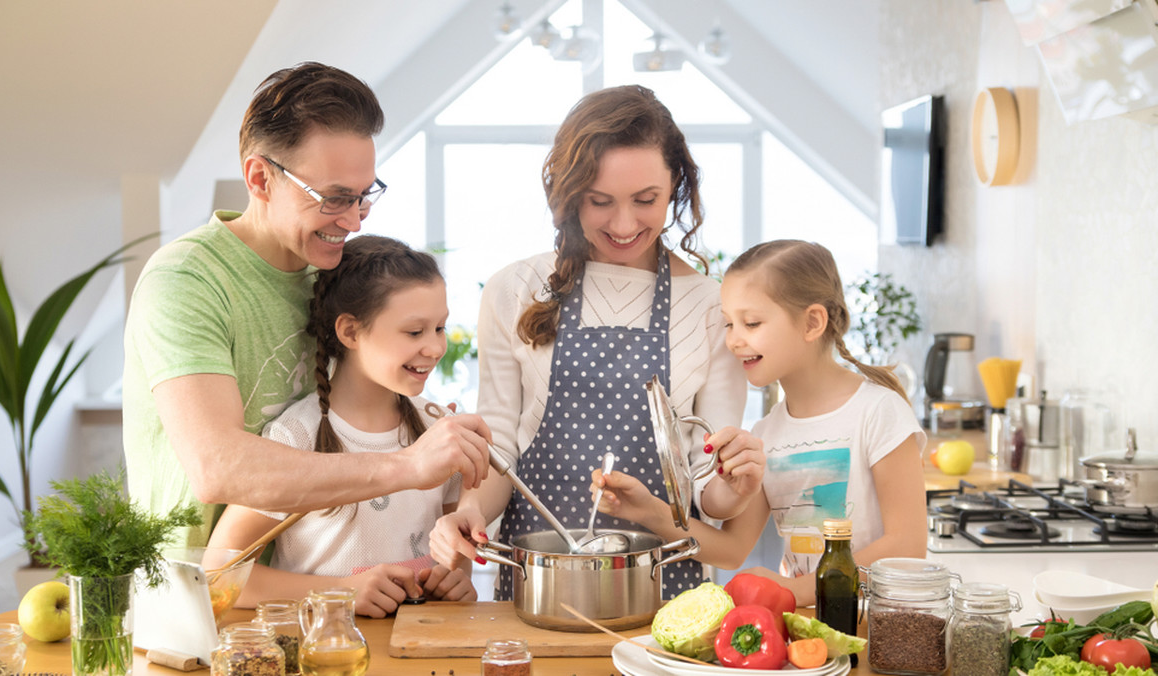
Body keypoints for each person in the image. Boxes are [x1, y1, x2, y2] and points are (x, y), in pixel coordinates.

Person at [123, 62, 491, 553]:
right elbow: (217, 468)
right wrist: (407, 467)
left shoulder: (335, 273)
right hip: (193, 600)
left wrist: (460, 499)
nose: (354, 221)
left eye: (364, 197)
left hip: (304, 596)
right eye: (335, 198)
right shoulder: (187, 279)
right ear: (259, 178)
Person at [428, 84, 755, 600]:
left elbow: (706, 490)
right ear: (567, 192)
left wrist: (734, 489)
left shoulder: (711, 307)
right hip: (539, 587)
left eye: (646, 201)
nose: (624, 225)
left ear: (677, 186)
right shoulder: (512, 290)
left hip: (665, 594)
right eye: (599, 202)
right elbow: (501, 453)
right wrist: (468, 512)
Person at [208, 235, 478, 616]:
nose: (435, 348)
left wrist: (452, 576)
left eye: (440, 328)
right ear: (350, 332)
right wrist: (341, 591)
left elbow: (451, 549)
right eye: (415, 332)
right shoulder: (296, 438)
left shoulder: (439, 428)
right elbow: (219, 574)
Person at [714, 239, 927, 605]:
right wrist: (651, 514)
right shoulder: (765, 433)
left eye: (751, 323)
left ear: (812, 322)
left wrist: (793, 592)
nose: (734, 340)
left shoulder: (879, 412)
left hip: (876, 629)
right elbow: (732, 548)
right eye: (729, 324)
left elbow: (906, 547)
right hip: (809, 629)